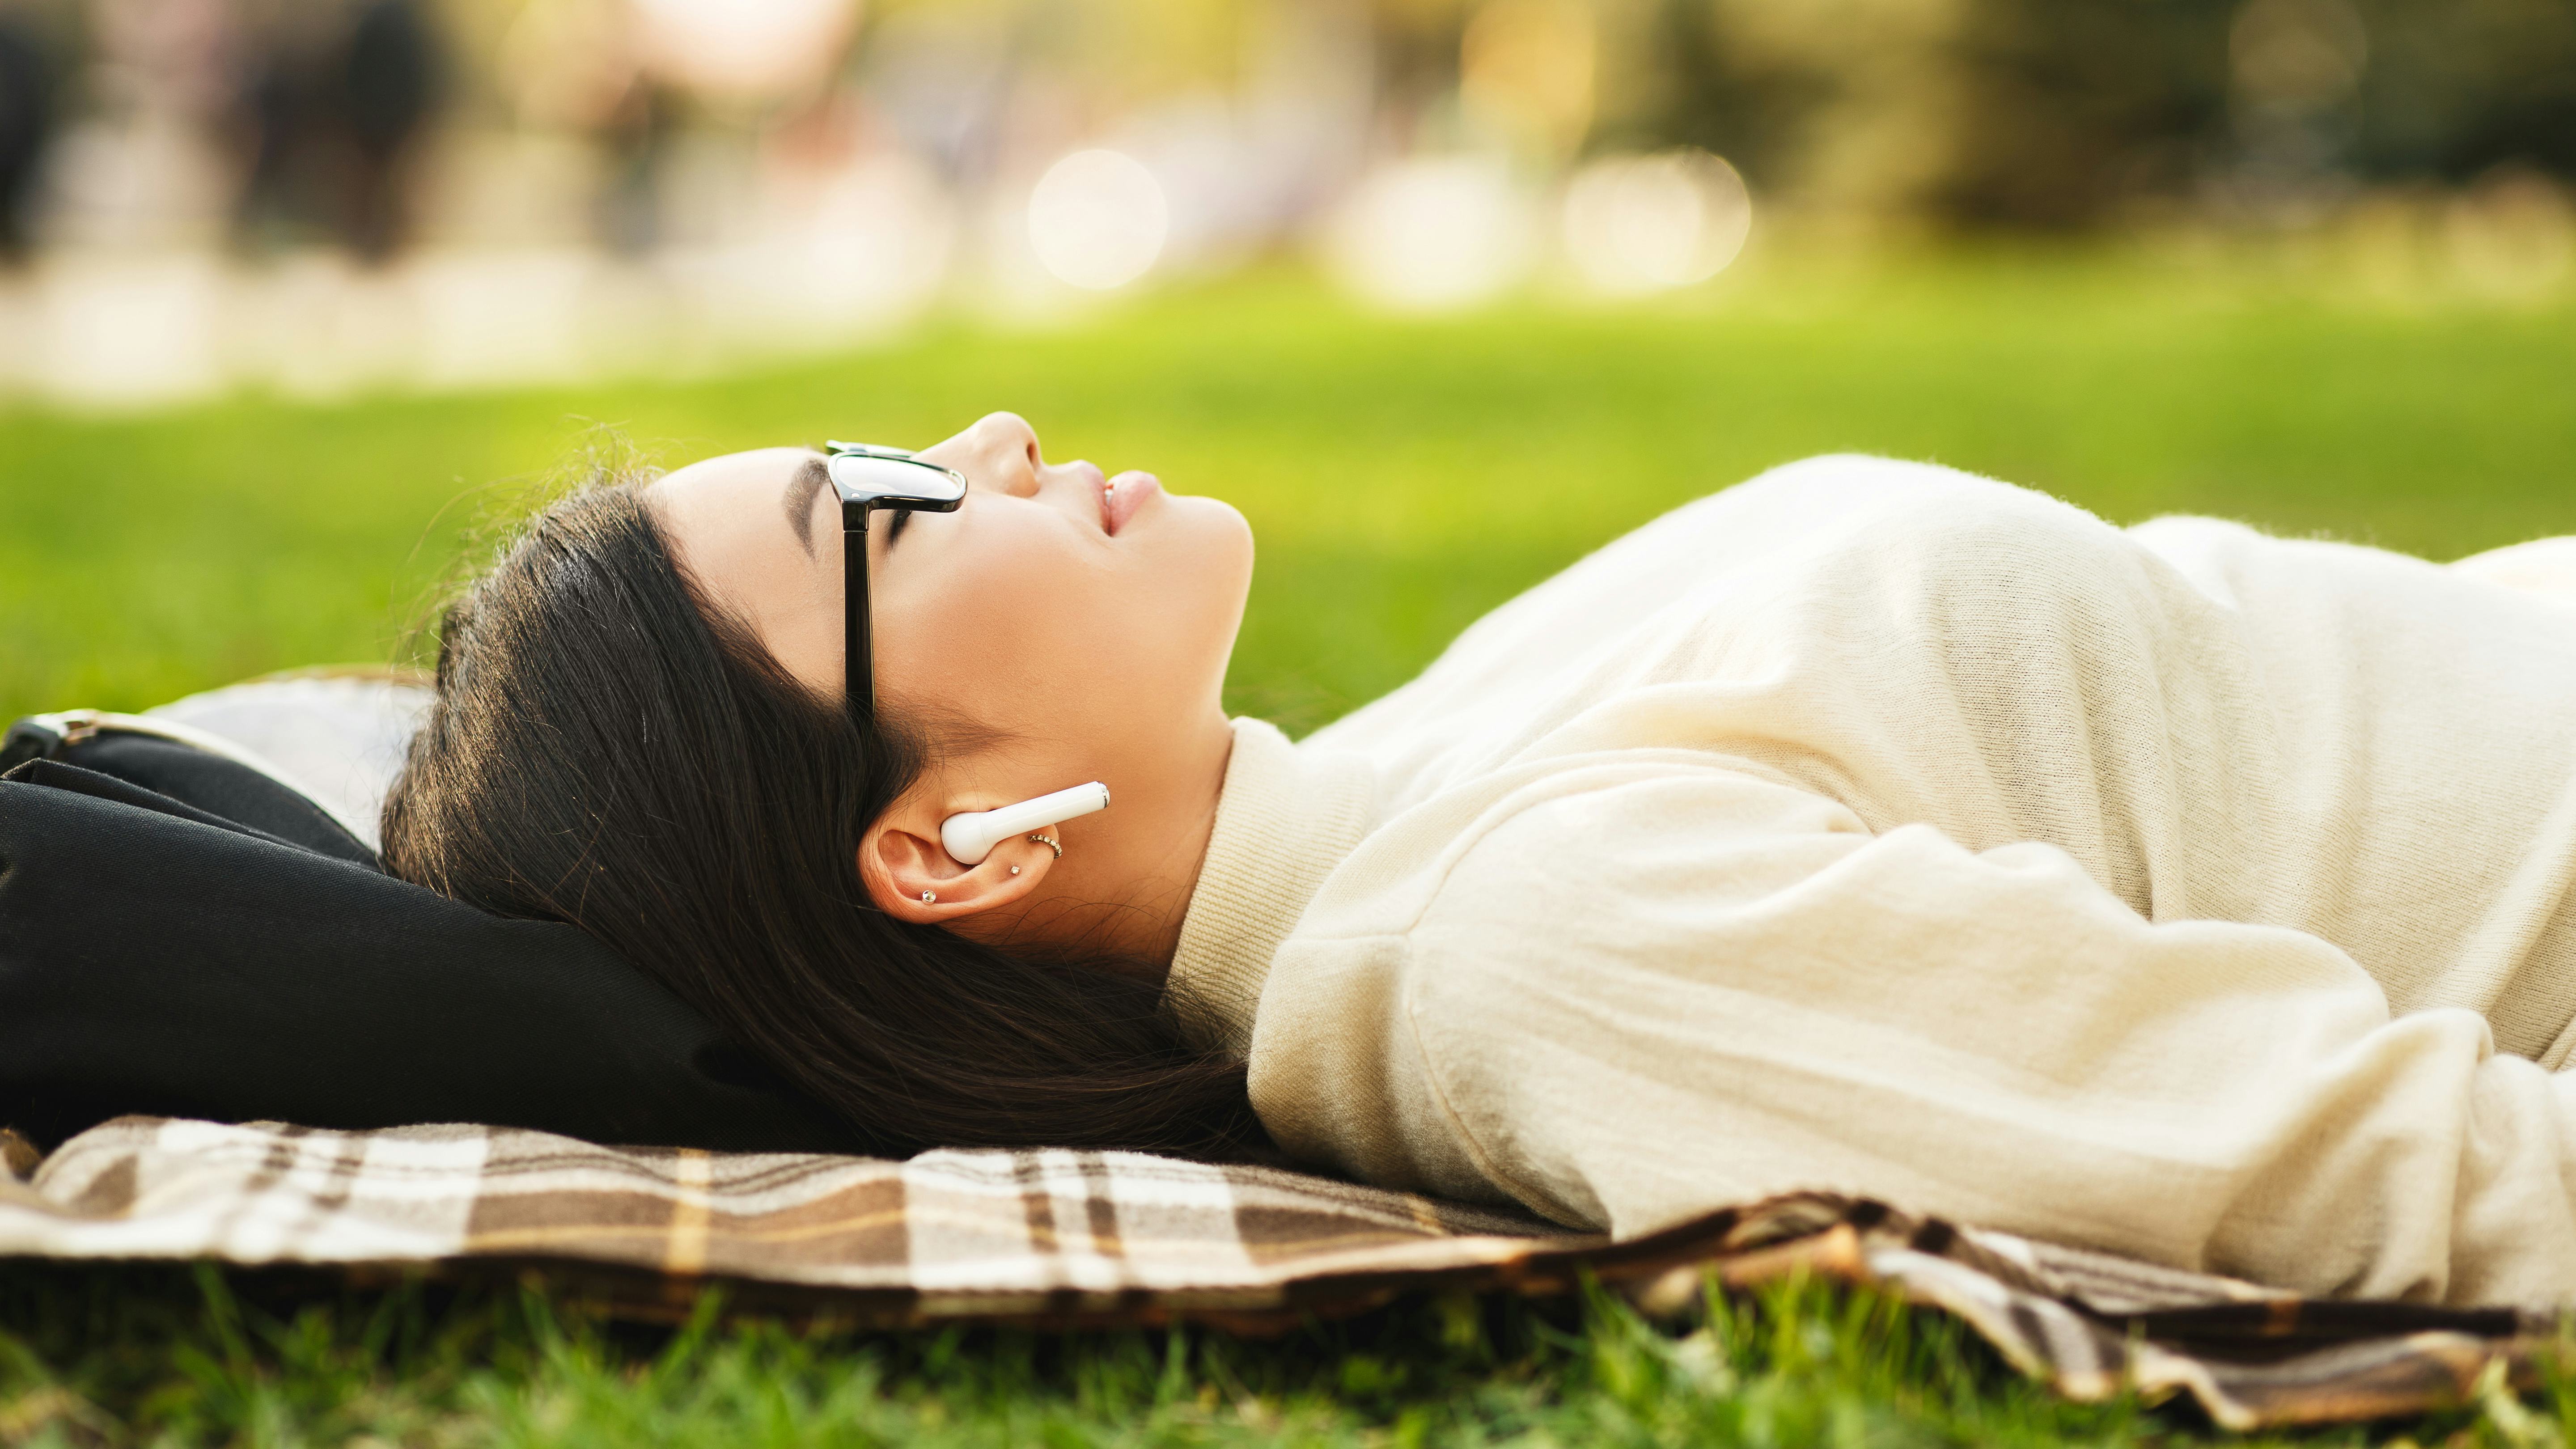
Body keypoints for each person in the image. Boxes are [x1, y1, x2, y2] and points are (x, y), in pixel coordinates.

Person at [384, 413, 2576, 1310]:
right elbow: (2418, 1172)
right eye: (882, 505)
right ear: (949, 849)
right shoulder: (1548, 946)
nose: (989, 441)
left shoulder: (1401, 771)